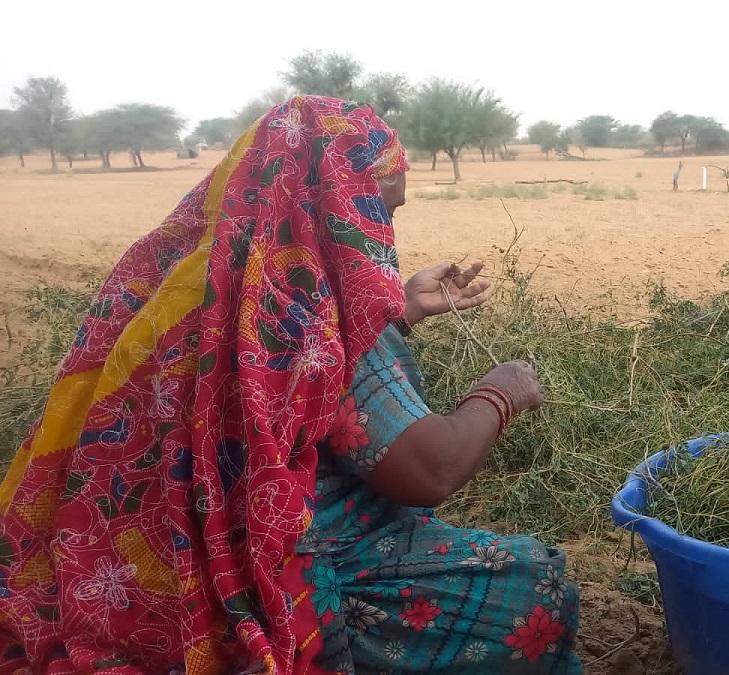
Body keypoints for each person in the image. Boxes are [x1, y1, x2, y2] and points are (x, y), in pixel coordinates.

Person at [0, 96, 580, 674]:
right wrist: (501, 392)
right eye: (376, 211)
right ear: (332, 207)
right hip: (268, 569)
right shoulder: (304, 312)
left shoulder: (182, 279)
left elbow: (288, 383)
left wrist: (397, 311)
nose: (381, 234)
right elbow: (427, 470)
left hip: (159, 561)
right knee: (535, 586)